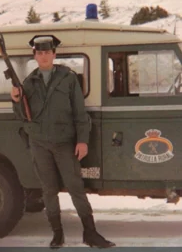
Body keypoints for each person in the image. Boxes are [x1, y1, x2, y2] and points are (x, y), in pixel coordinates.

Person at [11, 35, 115, 249]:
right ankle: (57, 234)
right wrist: (15, 99)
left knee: (75, 187)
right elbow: (23, 115)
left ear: (54, 54)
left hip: (64, 142)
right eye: (39, 53)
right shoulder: (29, 82)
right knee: (48, 190)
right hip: (39, 143)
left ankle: (90, 233)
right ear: (35, 57)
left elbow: (79, 111)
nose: (44, 56)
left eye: (47, 52)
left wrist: (82, 140)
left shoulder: (67, 78)